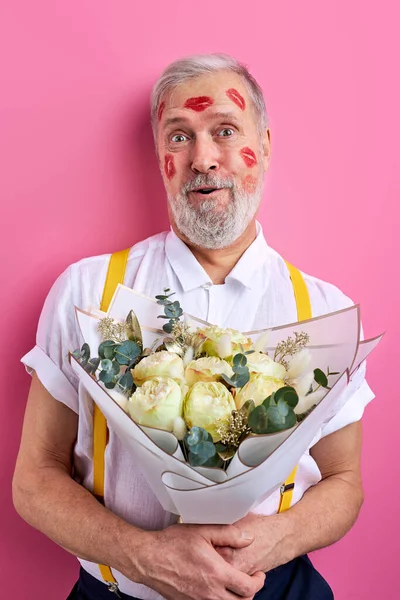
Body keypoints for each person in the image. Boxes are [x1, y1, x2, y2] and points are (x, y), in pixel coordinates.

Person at [13, 53, 374, 600]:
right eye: (179, 136)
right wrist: (144, 555)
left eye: (225, 131)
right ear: (162, 157)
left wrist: (273, 540)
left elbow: (345, 482)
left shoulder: (324, 309)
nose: (203, 158)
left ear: (267, 146)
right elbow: (34, 481)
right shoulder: (88, 293)